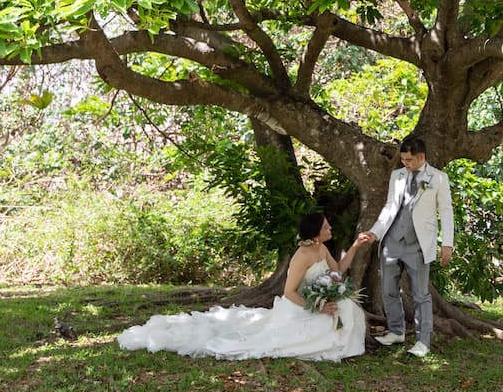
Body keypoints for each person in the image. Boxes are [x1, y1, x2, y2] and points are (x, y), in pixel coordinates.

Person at [117, 212, 371, 361]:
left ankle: (339, 338)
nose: (330, 228)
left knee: (346, 307)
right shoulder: (302, 256)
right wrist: (317, 306)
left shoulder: (321, 247)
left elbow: (337, 270)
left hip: (317, 302)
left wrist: (357, 246)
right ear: (316, 232)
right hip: (299, 306)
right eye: (326, 226)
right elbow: (289, 293)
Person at [359, 135, 453, 357]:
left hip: (418, 244)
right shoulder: (397, 176)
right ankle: (396, 330)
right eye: (403, 159)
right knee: (389, 290)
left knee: (420, 294)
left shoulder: (438, 178)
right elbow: (390, 206)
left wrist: (447, 244)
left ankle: (423, 340)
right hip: (392, 241)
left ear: (421, 157)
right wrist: (375, 232)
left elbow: (446, 212)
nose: (405, 163)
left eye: (409, 160)